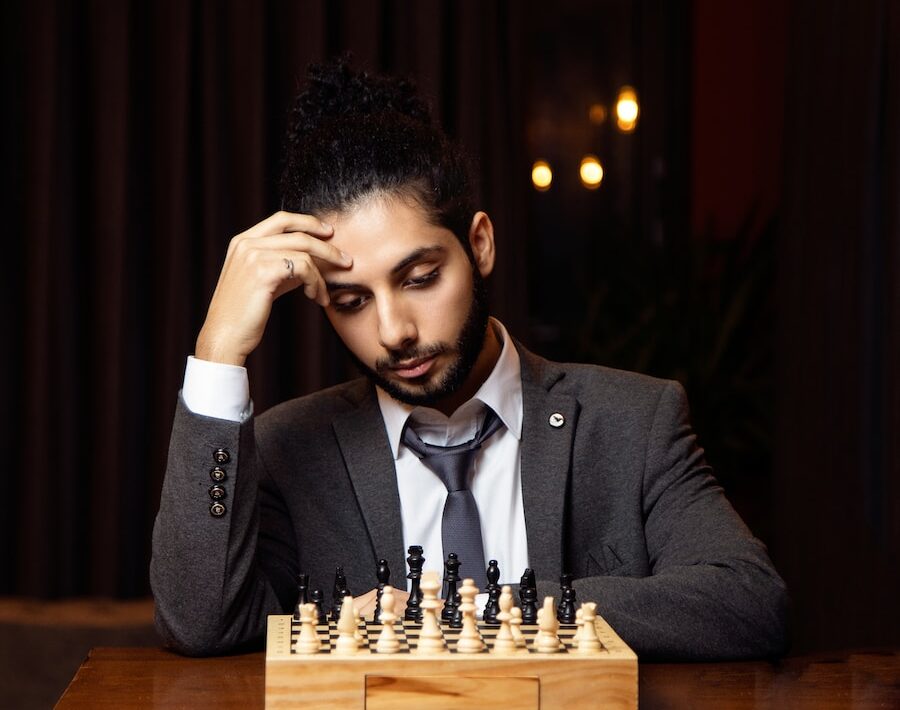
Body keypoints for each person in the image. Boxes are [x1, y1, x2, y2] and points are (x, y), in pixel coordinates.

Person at [150, 60, 789, 659]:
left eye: (421, 277)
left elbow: (749, 601)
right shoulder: (288, 450)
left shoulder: (633, 421)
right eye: (350, 301)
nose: (393, 331)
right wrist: (216, 356)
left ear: (478, 245)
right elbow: (202, 626)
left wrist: (478, 610)